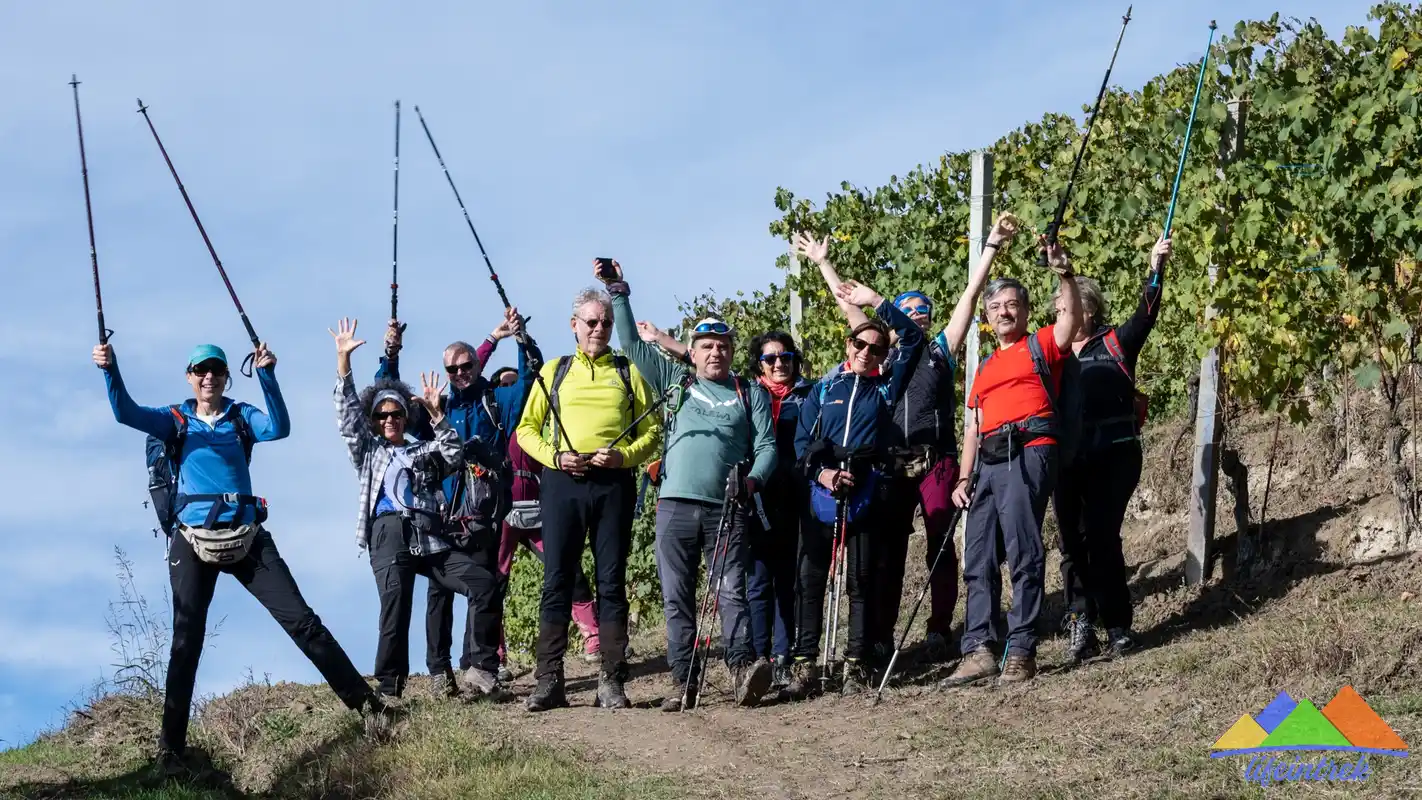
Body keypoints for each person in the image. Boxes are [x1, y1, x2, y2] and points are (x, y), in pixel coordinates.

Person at [93, 339, 386, 774]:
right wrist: (110, 369)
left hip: (247, 535)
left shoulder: (241, 415)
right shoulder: (175, 419)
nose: (208, 376)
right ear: (190, 377)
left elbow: (278, 427)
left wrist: (267, 375)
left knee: (302, 621)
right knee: (185, 641)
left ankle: (371, 710)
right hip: (193, 539)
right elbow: (125, 412)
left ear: (227, 376)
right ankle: (170, 752)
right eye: (201, 370)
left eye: (216, 369)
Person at [794, 216, 1020, 663]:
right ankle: (879, 636)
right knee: (886, 551)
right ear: (893, 320)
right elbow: (850, 314)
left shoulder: (938, 351)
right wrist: (824, 264)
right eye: (908, 310)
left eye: (923, 311)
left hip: (935, 460)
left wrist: (991, 246)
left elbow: (971, 298)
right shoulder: (879, 359)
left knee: (940, 542)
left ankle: (939, 630)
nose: (918, 316)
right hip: (888, 466)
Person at [375, 309, 577, 693]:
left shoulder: (495, 400)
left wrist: (518, 340)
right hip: (441, 514)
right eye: (452, 370)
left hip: (485, 514)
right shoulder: (439, 408)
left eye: (466, 366)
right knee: (440, 594)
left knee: (487, 586)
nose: (459, 374)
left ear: (475, 365)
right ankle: (440, 672)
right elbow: (389, 398)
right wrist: (391, 351)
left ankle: (480, 667)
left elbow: (531, 382)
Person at [607, 260, 779, 711]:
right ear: (693, 351)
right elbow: (628, 342)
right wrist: (618, 292)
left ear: (731, 350)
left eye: (721, 346)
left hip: (728, 506)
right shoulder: (675, 381)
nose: (714, 353)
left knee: (730, 590)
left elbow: (767, 447)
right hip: (674, 506)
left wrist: (754, 481)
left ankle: (743, 670)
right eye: (705, 346)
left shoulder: (749, 392)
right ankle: (684, 680)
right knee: (676, 595)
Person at [331, 317, 508, 699]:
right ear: (374, 422)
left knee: (483, 582)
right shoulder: (370, 451)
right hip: (389, 531)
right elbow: (347, 419)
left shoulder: (419, 450)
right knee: (397, 605)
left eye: (396, 414)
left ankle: (481, 669)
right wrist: (344, 363)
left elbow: (452, 451)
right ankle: (390, 688)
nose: (391, 420)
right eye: (382, 416)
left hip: (429, 535)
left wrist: (437, 414)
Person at [941, 236, 1082, 687]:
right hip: (986, 462)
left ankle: (1021, 647)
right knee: (978, 556)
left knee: (1024, 549)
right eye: (996, 306)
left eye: (1012, 305)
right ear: (986, 317)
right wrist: (963, 476)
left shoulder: (1041, 344)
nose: (1004, 312)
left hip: (1028, 452)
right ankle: (979, 647)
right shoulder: (983, 369)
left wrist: (1064, 273)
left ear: (1024, 311)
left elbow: (1071, 321)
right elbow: (972, 426)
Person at [516, 282, 661, 712]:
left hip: (613, 483)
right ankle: (548, 681)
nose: (599, 329)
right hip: (563, 484)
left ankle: (612, 681)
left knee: (611, 581)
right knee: (557, 578)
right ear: (574, 325)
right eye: (592, 322)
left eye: (606, 323)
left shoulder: (627, 371)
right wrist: (557, 457)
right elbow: (526, 431)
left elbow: (652, 432)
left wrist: (622, 456)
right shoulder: (554, 371)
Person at [788, 284, 922, 698]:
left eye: (877, 349)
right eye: (860, 344)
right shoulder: (825, 389)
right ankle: (805, 663)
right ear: (849, 345)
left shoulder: (885, 387)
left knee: (861, 581)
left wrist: (876, 302)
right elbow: (800, 445)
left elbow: (914, 338)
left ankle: (855, 663)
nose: (867, 353)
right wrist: (823, 475)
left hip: (867, 490)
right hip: (823, 490)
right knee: (810, 579)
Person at [1053, 236, 1171, 662]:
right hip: (1068, 459)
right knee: (1071, 543)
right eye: (1058, 311)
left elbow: (1147, 313)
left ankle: (1118, 624)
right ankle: (1081, 623)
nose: (1061, 316)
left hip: (1114, 453)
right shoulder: (1052, 354)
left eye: (1068, 309)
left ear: (1088, 310)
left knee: (1101, 535)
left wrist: (1156, 268)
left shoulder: (1117, 344)